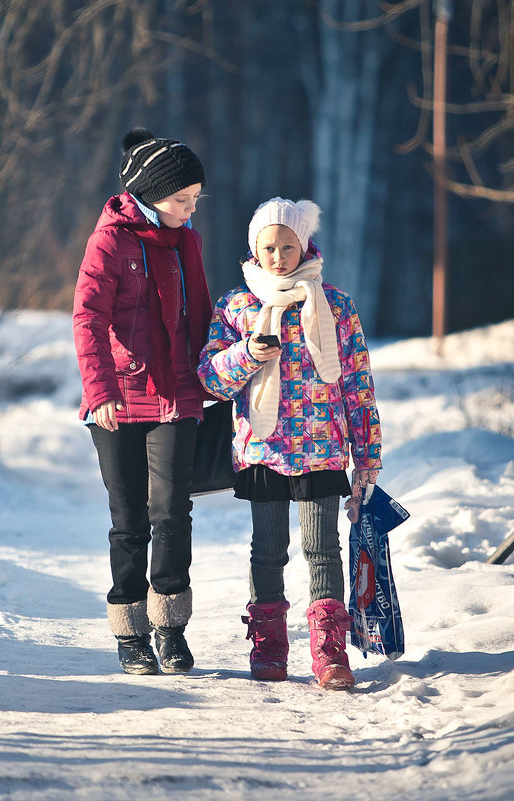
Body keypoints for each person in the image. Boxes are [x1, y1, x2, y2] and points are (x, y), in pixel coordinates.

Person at [197, 197, 382, 690]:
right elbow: (210, 379)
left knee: (322, 548)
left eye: (287, 245)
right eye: (268, 247)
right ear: (254, 250)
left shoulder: (336, 305)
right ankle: (269, 645)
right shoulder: (237, 306)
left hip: (322, 449)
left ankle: (329, 651)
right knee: (268, 550)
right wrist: (247, 354)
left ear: (305, 245)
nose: (279, 256)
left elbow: (357, 384)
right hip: (262, 449)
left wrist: (367, 455)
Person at [73, 127, 213, 676]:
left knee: (173, 513)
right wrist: (100, 390)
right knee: (129, 518)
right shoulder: (109, 241)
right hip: (117, 400)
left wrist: (212, 381)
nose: (190, 208)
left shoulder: (189, 242)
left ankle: (170, 627)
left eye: (197, 199)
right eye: (182, 199)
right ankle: (130, 631)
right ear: (149, 194)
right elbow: (89, 318)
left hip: (177, 395)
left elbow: (200, 314)